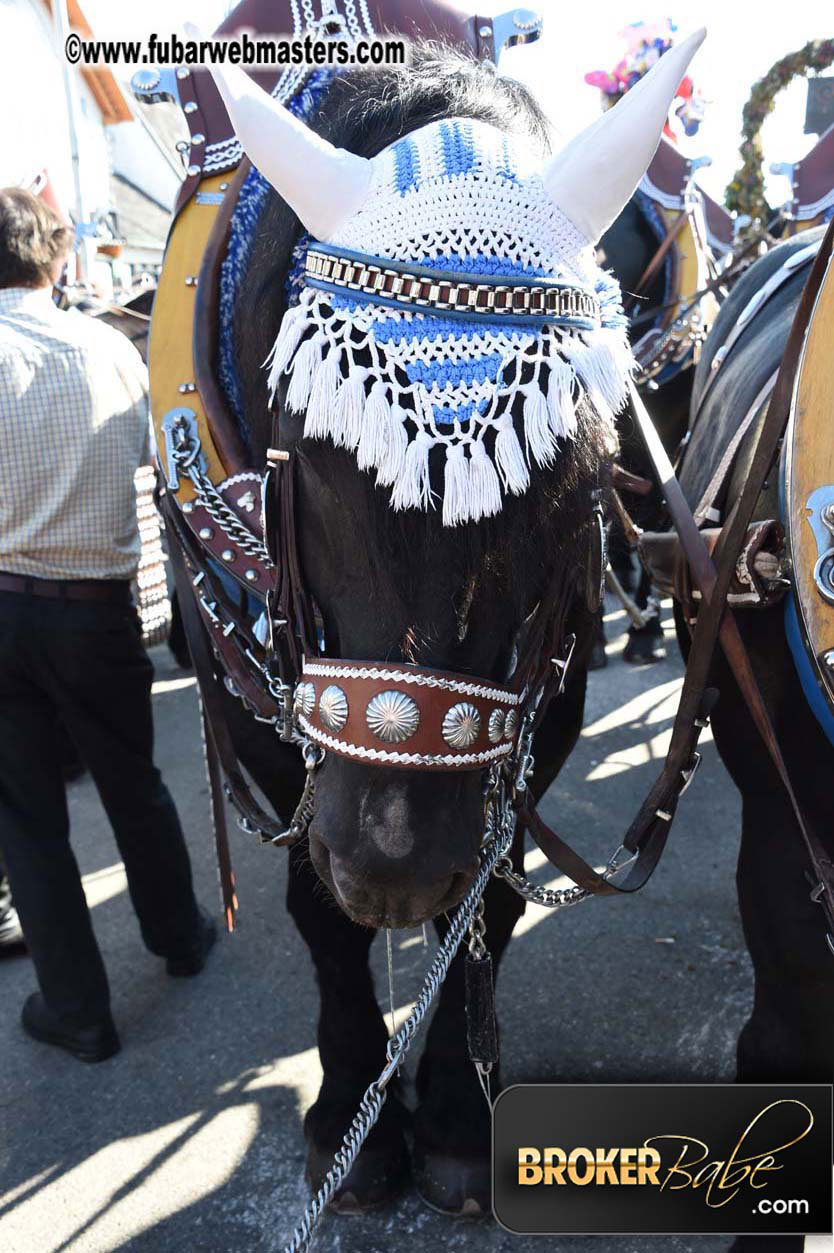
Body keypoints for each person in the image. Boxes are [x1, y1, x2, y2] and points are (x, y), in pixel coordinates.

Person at [0, 187, 215, 1063]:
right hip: (94, 606)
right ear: (55, 257)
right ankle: (180, 937)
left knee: (26, 818)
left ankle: (79, 1010)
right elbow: (154, 464)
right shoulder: (108, 348)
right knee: (133, 780)